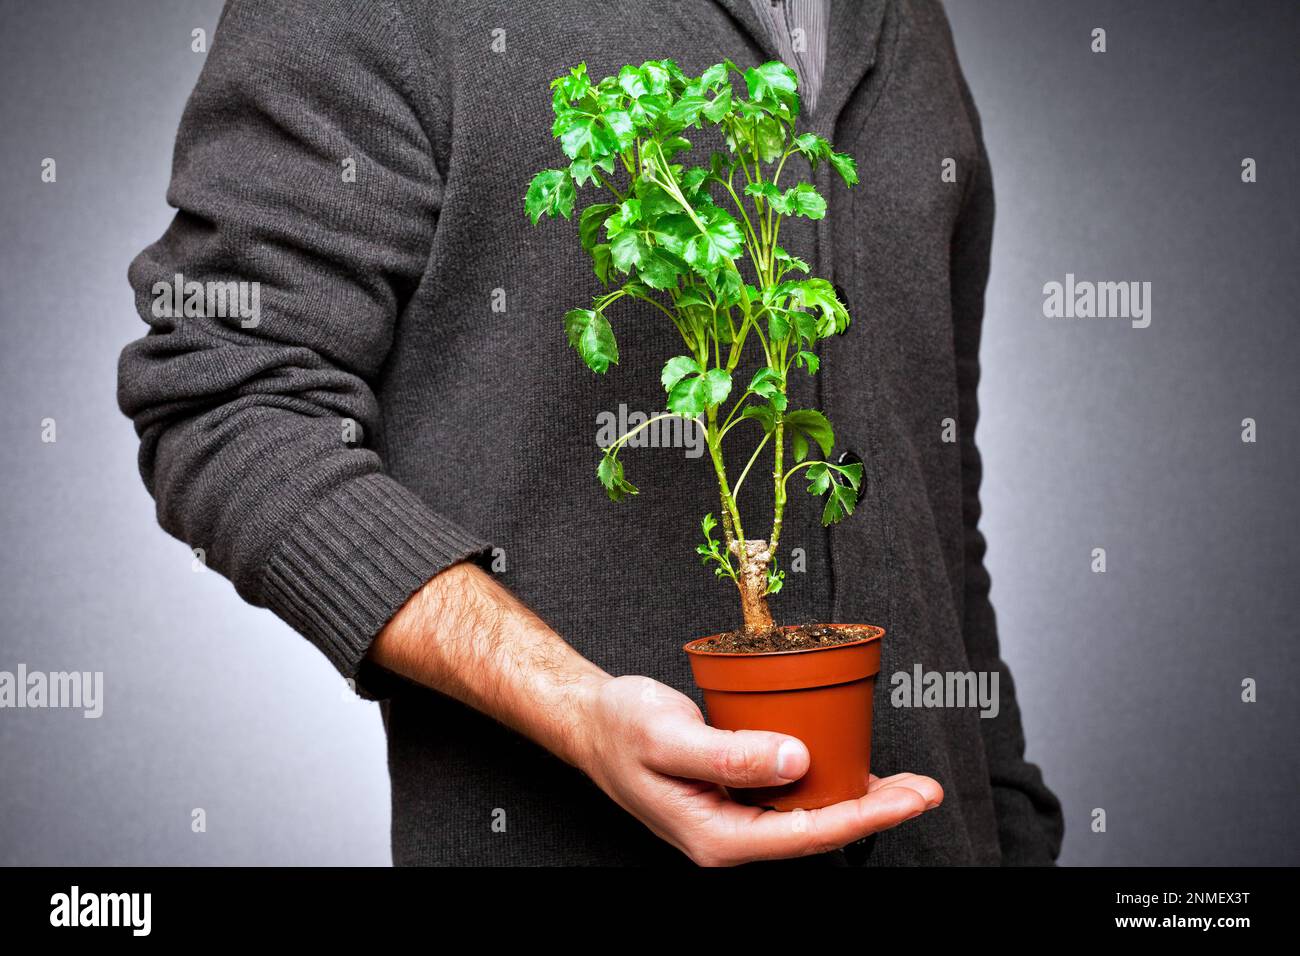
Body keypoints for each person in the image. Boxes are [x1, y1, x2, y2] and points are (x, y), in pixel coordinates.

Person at [118, 0, 1062, 866]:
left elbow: (936, 483)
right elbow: (224, 398)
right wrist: (572, 705)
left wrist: (1012, 825)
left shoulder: (907, 22)